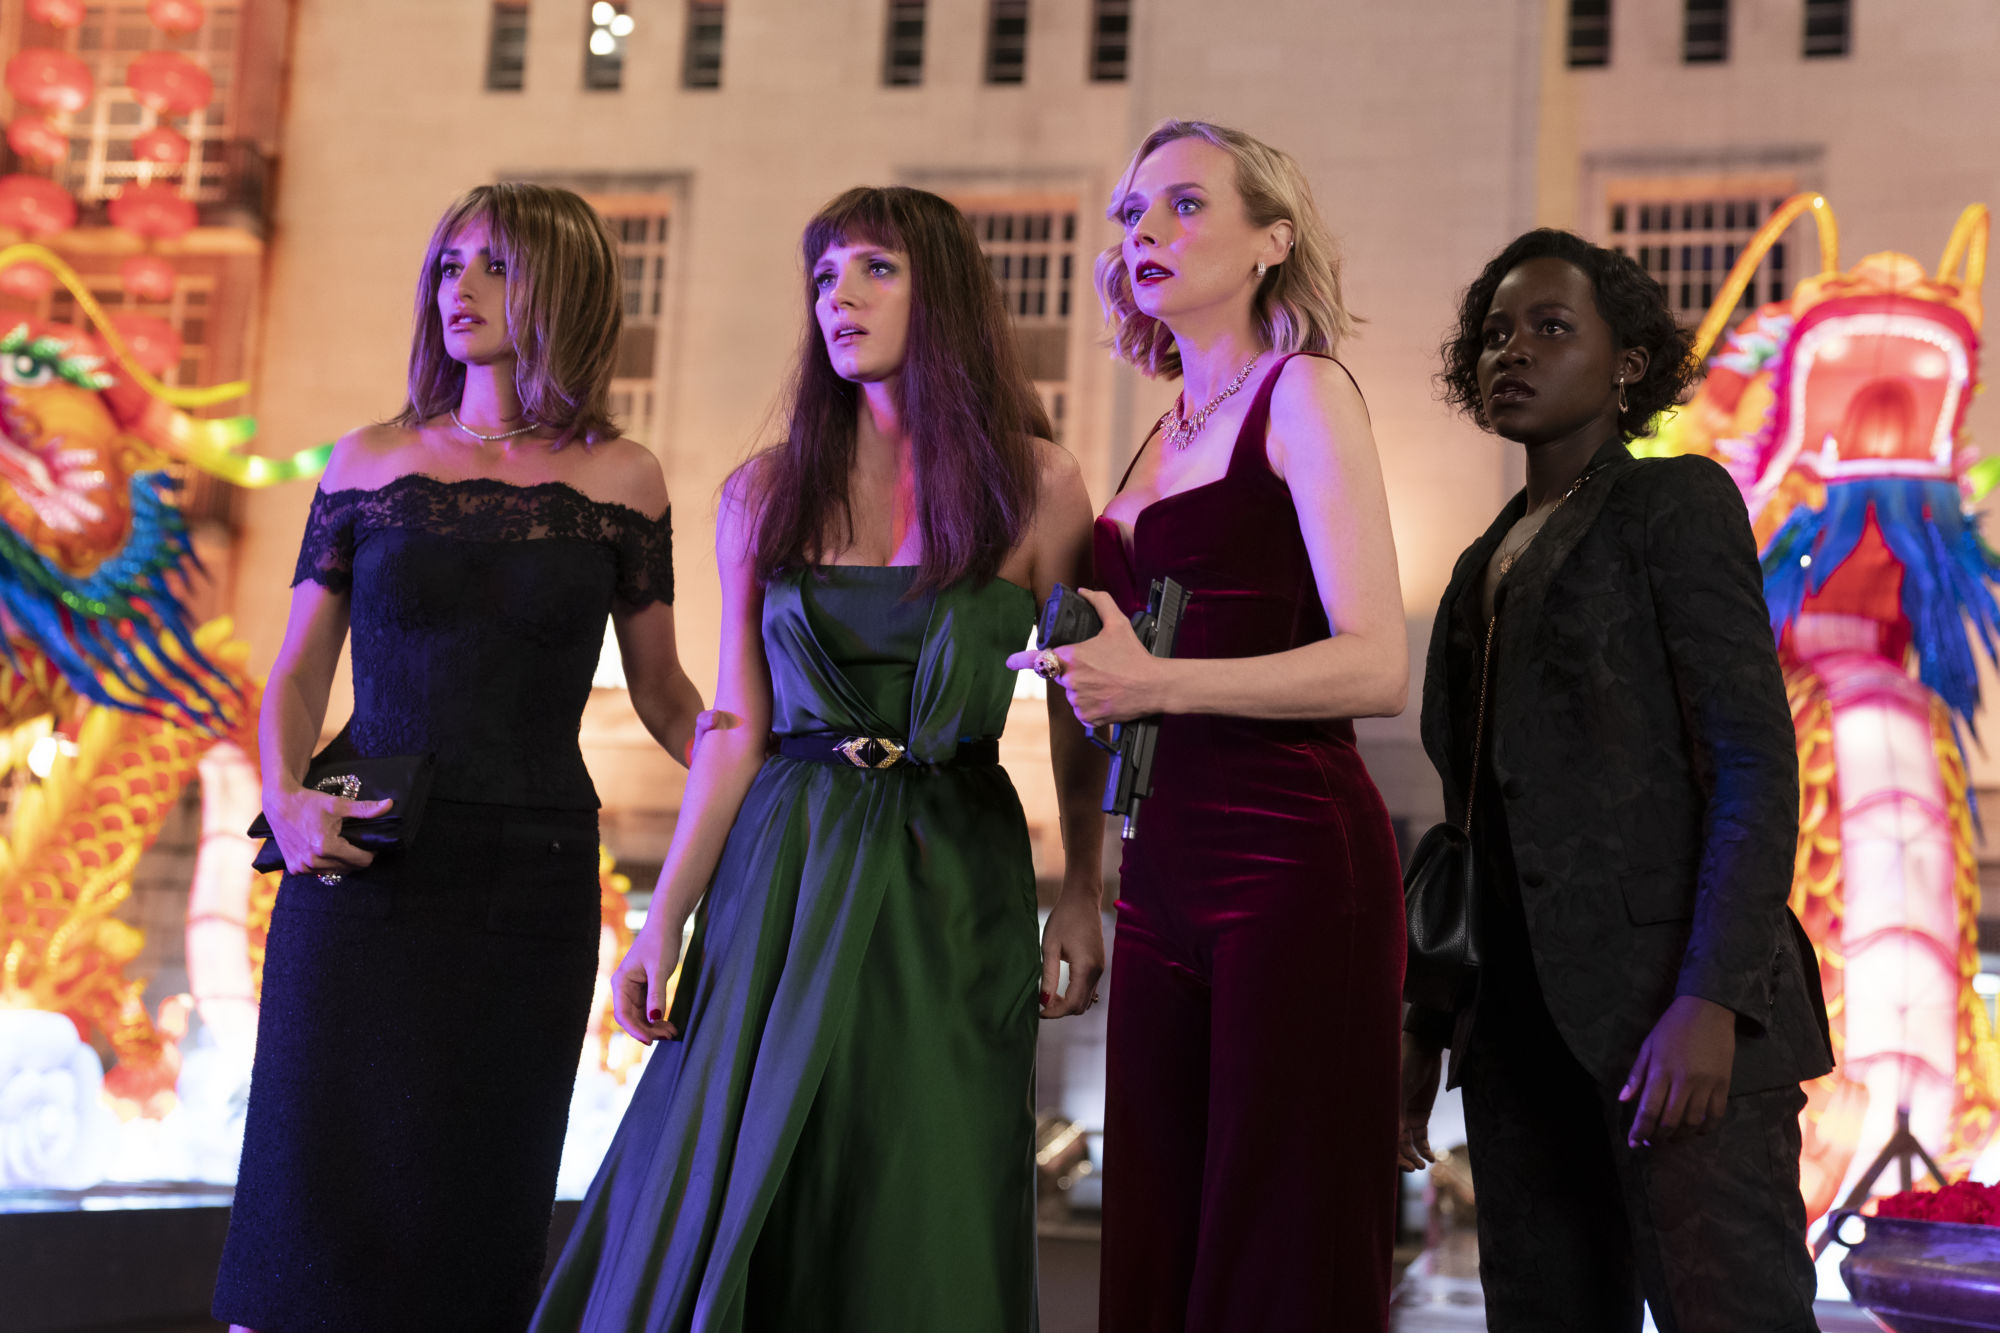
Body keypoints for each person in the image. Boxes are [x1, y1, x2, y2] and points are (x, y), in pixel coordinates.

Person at [531, 185, 1107, 1333]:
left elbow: (1077, 709)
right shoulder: (762, 492)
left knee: (928, 1172)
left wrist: (1085, 890)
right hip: (783, 864)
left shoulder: (1039, 484)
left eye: (873, 268)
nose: (837, 296)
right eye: (823, 275)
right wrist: (661, 917)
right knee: (748, 1162)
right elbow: (734, 726)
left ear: (943, 291)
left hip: (957, 868)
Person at [212, 182, 706, 1333]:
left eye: (494, 265)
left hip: (529, 882)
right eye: (448, 264)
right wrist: (283, 795)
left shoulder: (623, 477)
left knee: (476, 1213)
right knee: (306, 1204)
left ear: (564, 287)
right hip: (356, 864)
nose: (459, 289)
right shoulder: (365, 461)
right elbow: (296, 671)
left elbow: (665, 695)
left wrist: (782, 771)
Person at [1398, 228, 1834, 1333]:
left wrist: (1710, 999)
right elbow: (1466, 831)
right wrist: (1424, 1026)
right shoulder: (1475, 563)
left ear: (1627, 362)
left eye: (1551, 328)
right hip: (1515, 1042)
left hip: (1672, 1022)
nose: (1512, 351)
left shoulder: (1673, 504)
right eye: (1495, 333)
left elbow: (1751, 761)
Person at [1024, 119, 1408, 1331]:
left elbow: (1376, 663)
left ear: (1269, 241)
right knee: (1154, 1230)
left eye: (1184, 205)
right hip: (1160, 868)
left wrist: (1154, 685)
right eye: (1131, 214)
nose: (1146, 230)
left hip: (1291, 859)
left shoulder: (1305, 393)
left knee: (1275, 1239)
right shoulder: (1160, 427)